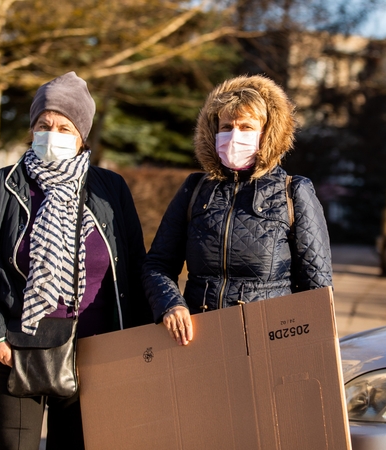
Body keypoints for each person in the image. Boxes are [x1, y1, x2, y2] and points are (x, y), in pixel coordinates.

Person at [0, 71, 151, 450]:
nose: (53, 134)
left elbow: (133, 266)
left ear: (82, 135)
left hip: (94, 352)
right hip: (15, 349)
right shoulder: (4, 185)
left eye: (65, 127)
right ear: (32, 130)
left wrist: (136, 343)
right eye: (43, 125)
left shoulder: (110, 189)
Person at [142, 74, 333, 346]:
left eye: (246, 127)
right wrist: (170, 304)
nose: (234, 136)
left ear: (267, 133)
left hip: (268, 343)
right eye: (227, 127)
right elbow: (157, 265)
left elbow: (317, 288)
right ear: (213, 132)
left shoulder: (293, 192)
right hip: (199, 341)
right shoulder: (196, 190)